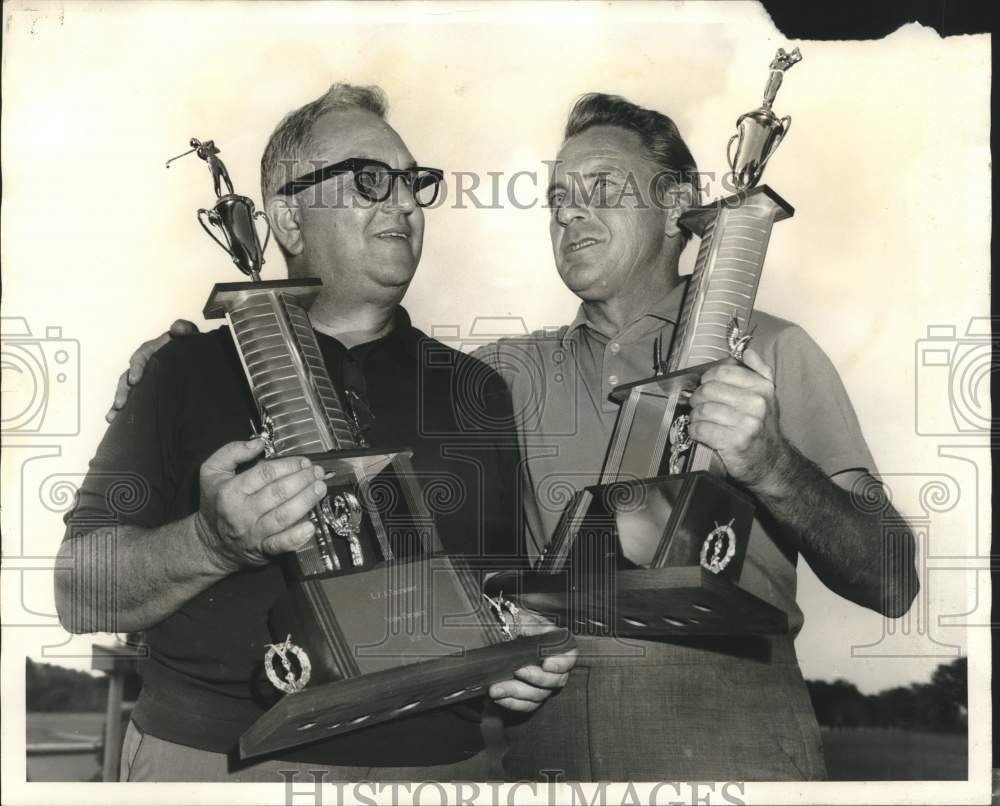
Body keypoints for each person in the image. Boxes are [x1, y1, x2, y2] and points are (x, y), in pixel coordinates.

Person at [112, 92, 919, 781]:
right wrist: (199, 356)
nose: (570, 211)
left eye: (601, 186)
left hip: (726, 737)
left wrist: (774, 465)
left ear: (680, 205)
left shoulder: (773, 353)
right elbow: (338, 372)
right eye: (557, 196)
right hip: (537, 747)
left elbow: (891, 579)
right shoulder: (495, 380)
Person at [57, 83, 575, 783]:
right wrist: (210, 543)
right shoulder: (181, 371)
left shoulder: (475, 390)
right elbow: (78, 592)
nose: (403, 203)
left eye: (413, 184)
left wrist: (526, 644)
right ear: (289, 219)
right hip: (219, 765)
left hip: (440, 771)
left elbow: (506, 596)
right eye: (370, 180)